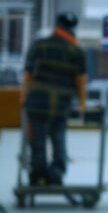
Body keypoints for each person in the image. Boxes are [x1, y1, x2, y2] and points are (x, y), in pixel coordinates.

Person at [22, 11, 87, 187]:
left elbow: (27, 74)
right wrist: (82, 104)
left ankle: (38, 174)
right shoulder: (76, 50)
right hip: (61, 103)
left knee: (37, 137)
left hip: (37, 101)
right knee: (58, 137)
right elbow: (81, 81)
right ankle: (56, 174)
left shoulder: (39, 45)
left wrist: (24, 98)